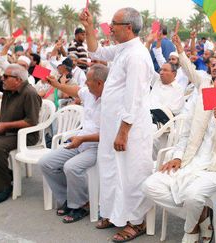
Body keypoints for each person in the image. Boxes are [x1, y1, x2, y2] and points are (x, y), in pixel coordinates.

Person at [143, 63, 216, 243]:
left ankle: (190, 230)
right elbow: (186, 134)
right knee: (150, 185)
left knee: (192, 196)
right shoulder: (207, 98)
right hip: (190, 162)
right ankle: (201, 218)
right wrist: (177, 156)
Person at [80, 7, 154, 242]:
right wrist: (88, 26)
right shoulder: (123, 49)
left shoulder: (137, 55)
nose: (110, 27)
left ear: (129, 28)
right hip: (113, 126)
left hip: (129, 129)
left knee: (130, 175)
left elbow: (134, 98)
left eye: (114, 24)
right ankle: (115, 215)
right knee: (112, 172)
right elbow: (95, 50)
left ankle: (136, 221)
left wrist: (123, 132)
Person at [38, 64, 108, 223]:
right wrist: (55, 84)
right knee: (46, 163)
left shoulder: (112, 101)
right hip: (80, 141)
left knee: (71, 167)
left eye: (88, 80)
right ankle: (68, 200)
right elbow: (75, 90)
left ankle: (80, 205)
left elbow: (110, 135)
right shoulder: (90, 93)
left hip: (97, 147)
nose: (85, 83)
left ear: (99, 83)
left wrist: (82, 139)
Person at [0, 64, 41, 204]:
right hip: (7, 132)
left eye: (6, 77)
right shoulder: (8, 86)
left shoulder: (29, 93)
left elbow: (31, 122)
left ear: (18, 80)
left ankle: (4, 187)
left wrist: (5, 126)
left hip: (25, 136)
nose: (3, 79)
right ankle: (6, 174)